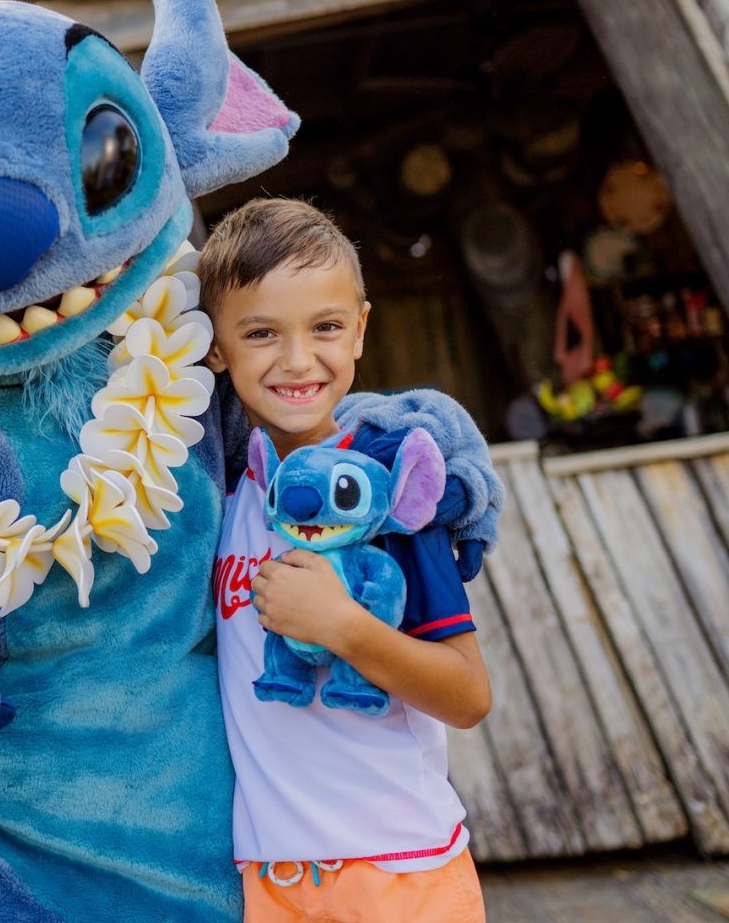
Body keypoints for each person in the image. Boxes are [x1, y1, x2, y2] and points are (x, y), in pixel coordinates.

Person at [199, 197, 496, 922]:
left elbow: (467, 696)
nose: (298, 360)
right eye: (262, 333)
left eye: (325, 328)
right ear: (214, 348)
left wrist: (344, 626)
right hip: (270, 873)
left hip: (398, 867)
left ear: (360, 329)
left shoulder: (389, 495)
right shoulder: (231, 500)